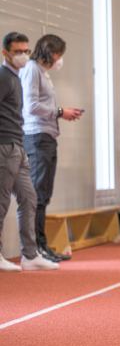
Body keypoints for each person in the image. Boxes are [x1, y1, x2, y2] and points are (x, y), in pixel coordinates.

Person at [21, 34, 83, 262]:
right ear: (51, 52)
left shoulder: (42, 72)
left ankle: (41, 244)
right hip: (36, 135)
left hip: (47, 135)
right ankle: (35, 247)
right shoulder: (32, 69)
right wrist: (59, 112)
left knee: (44, 195)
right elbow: (31, 105)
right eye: (59, 54)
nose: (60, 59)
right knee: (37, 194)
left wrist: (61, 113)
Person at [0, 32, 57, 272]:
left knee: (29, 198)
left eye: (26, 51)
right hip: (4, 146)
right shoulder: (3, 77)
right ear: (5, 53)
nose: (24, 55)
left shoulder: (16, 76)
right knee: (1, 202)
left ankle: (30, 255)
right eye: (18, 51)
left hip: (19, 145)